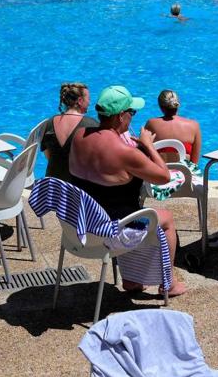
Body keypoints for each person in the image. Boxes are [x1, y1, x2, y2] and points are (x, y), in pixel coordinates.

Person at [69, 85, 185, 296]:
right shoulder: (124, 152)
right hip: (110, 231)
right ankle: (168, 284)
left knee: (130, 210)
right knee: (164, 219)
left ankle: (132, 281)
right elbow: (164, 176)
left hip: (81, 224)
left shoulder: (79, 136)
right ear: (120, 116)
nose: (132, 117)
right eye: (132, 113)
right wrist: (148, 145)